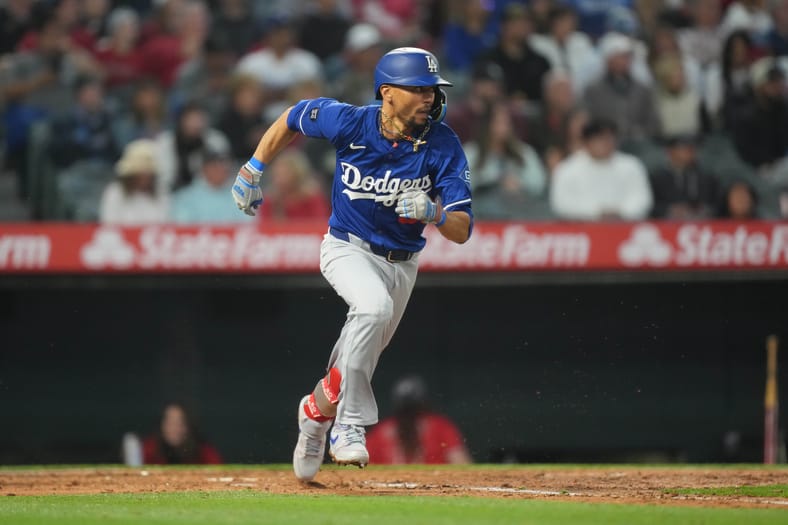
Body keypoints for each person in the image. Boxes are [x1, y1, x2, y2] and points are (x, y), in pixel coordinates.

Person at [230, 47, 473, 482]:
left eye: (432, 90)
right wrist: (253, 168)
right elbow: (293, 116)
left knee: (354, 358)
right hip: (347, 247)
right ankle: (348, 423)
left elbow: (462, 228)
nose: (429, 98)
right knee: (372, 309)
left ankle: (313, 415)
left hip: (402, 263)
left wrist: (435, 214)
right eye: (418, 89)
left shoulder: (442, 142)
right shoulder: (351, 121)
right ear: (387, 93)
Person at [550, 118, 653, 221]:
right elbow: (562, 204)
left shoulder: (632, 165)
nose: (606, 143)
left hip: (625, 228)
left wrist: (621, 212)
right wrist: (597, 213)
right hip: (582, 229)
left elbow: (643, 201)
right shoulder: (567, 169)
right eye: (600, 139)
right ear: (586, 142)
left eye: (610, 138)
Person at [365, 375, 472, 464]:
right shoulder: (381, 433)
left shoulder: (440, 428)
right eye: (406, 412)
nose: (410, 418)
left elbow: (461, 462)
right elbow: (362, 469)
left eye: (415, 411)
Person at [99, 138, 169, 224]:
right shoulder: (115, 192)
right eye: (141, 172)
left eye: (148, 172)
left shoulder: (161, 192)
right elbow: (109, 224)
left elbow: (166, 224)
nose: (145, 176)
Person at [141, 402, 222, 465]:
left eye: (180, 423)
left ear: (188, 426)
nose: (174, 428)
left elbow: (218, 471)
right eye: (170, 423)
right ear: (161, 425)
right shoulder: (149, 449)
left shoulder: (203, 452)